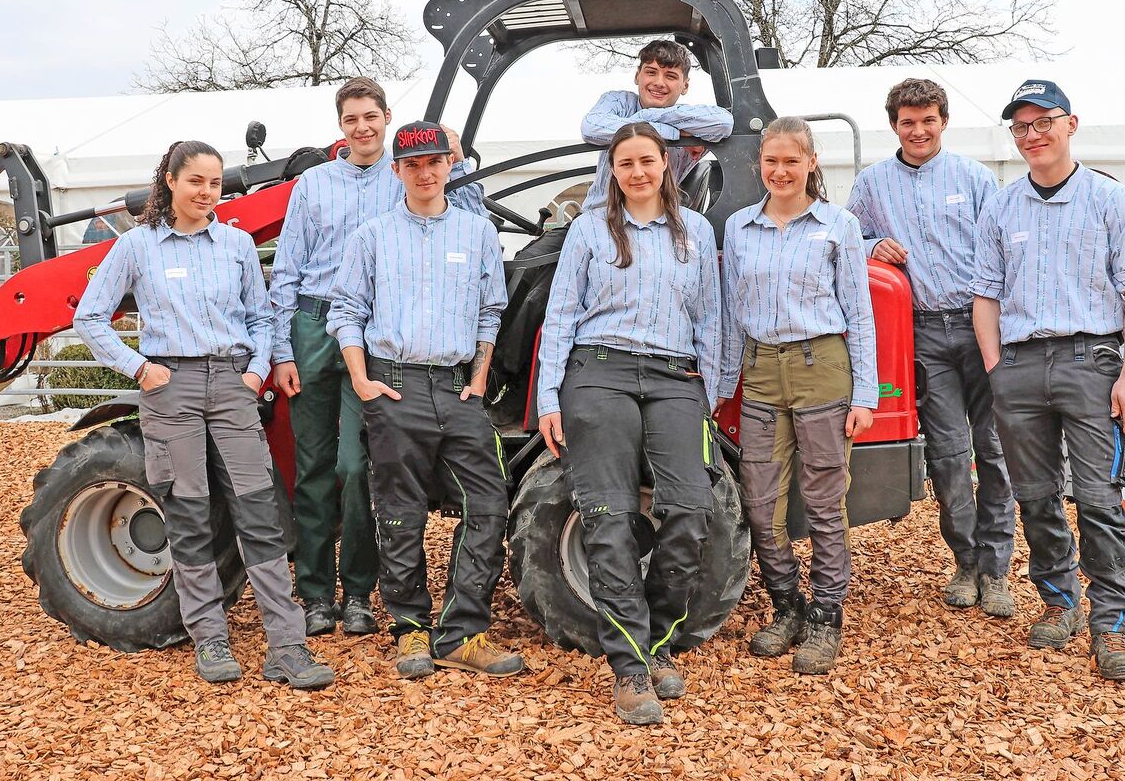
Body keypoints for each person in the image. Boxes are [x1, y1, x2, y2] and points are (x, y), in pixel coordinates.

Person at [75, 140, 334, 689]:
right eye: (195, 181)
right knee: (190, 514)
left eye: (215, 183)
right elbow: (90, 317)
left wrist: (255, 372)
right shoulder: (137, 246)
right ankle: (210, 638)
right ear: (169, 180)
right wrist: (140, 369)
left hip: (233, 385)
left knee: (259, 512)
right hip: (171, 388)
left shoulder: (237, 245)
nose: (207, 192)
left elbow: (261, 317)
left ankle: (287, 646)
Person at [269, 77, 483, 639]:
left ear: (387, 118)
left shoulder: (408, 172)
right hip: (315, 324)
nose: (362, 127)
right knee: (313, 465)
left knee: (356, 466)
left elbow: (467, 215)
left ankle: (360, 590)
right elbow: (286, 270)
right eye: (351, 119)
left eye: (371, 116)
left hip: (374, 332)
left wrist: (457, 156)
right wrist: (282, 350)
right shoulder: (314, 184)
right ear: (340, 126)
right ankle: (316, 593)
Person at [536, 122, 722, 725]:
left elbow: (710, 320)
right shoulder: (590, 230)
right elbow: (561, 314)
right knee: (609, 516)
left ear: (666, 164)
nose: (637, 172)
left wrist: (710, 395)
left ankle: (659, 639)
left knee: (690, 510)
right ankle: (631, 667)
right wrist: (547, 398)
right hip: (599, 372)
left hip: (674, 377)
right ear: (612, 172)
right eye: (625, 164)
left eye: (647, 160)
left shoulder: (696, 231)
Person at [972, 79, 1125, 681]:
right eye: (1021, 127)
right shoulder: (1001, 206)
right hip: (1019, 366)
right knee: (1035, 496)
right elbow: (986, 295)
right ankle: (1059, 602)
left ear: (1070, 124)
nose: (1032, 135)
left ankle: (1111, 624)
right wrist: (996, 368)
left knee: (1100, 499)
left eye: (1043, 122)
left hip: (1091, 362)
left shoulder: (1110, 200)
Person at [327, 120, 522, 681]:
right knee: (400, 511)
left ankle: (462, 633)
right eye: (412, 165)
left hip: (458, 386)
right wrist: (362, 381)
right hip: (394, 383)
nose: (425, 173)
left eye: (434, 162)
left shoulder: (476, 233)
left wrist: (479, 378)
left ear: (449, 165)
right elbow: (347, 313)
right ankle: (410, 627)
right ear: (396, 171)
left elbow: (490, 311)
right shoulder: (372, 236)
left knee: (488, 503)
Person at [846, 79, 1017, 617]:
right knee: (947, 453)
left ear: (943, 121)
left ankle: (996, 569)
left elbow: (1002, 246)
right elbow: (847, 238)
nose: (918, 131)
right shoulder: (872, 183)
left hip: (980, 324)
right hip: (921, 333)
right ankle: (965, 561)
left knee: (994, 448)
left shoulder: (975, 178)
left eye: (927, 121)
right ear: (893, 125)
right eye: (907, 122)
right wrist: (874, 244)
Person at [718, 117, 877, 675]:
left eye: (792, 161)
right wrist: (720, 387)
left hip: (822, 368)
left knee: (825, 500)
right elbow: (730, 316)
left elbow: (859, 313)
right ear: (758, 164)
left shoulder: (839, 226)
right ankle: (787, 606)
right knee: (761, 503)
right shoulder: (739, 227)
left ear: (812, 162)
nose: (781, 171)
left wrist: (865, 394)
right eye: (771, 161)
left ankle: (827, 616)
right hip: (761, 371)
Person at [579, 40, 732, 211]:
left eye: (670, 76)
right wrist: (671, 132)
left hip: (658, 221)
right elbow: (590, 128)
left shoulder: (691, 121)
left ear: (685, 85)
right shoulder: (618, 102)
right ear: (637, 76)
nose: (659, 82)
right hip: (600, 215)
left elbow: (724, 123)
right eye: (651, 72)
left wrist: (646, 116)